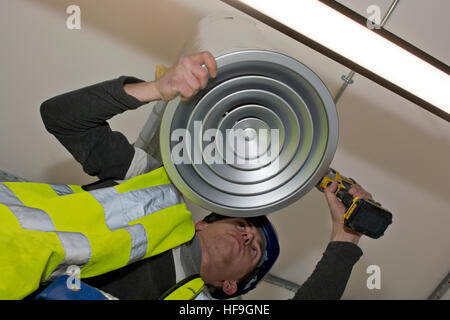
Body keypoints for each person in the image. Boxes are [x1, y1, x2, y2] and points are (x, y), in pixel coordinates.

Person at [0, 51, 369, 300]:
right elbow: (61, 118)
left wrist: (345, 239)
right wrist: (157, 89)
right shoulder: (152, 187)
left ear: (229, 286)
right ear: (202, 224)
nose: (245, 235)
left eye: (254, 248)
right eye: (243, 225)